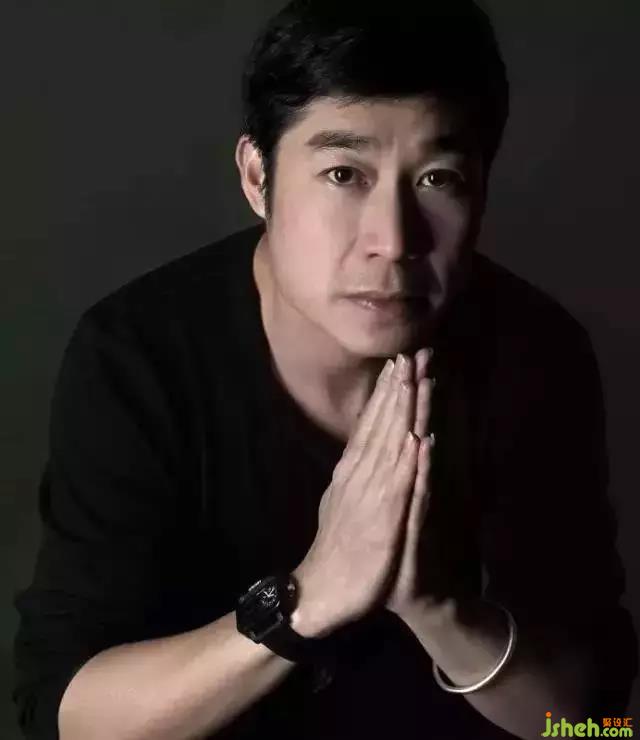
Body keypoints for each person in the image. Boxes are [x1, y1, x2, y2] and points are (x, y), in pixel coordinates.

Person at [12, 0, 637, 738]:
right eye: (344, 173)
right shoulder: (139, 358)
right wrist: (307, 599)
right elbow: (69, 717)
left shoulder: (536, 354)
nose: (393, 240)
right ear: (258, 175)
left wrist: (441, 611)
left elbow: (591, 727)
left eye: (438, 179)